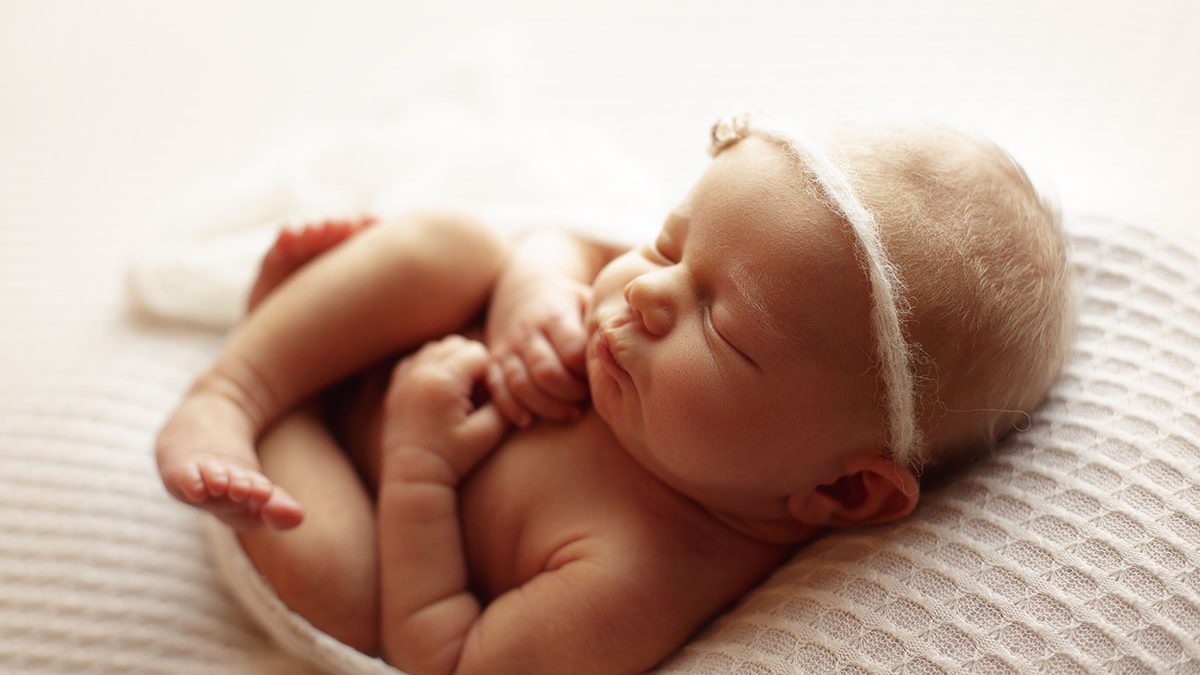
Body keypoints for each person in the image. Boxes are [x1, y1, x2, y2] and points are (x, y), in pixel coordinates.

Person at [155, 113, 1072, 675]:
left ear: (842, 490)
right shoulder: (636, 325)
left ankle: (285, 391)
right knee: (465, 244)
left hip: (369, 497)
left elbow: (443, 655)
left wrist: (415, 468)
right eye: (672, 245)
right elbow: (564, 243)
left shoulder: (642, 576)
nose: (643, 292)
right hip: (432, 348)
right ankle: (235, 387)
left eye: (720, 325)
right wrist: (533, 297)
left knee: (342, 594)